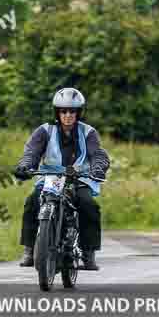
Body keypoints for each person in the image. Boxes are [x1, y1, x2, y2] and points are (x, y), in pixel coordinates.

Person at [13, 87, 110, 270]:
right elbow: (32, 152)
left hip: (79, 178)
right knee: (32, 201)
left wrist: (98, 169)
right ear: (57, 112)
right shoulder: (44, 131)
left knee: (88, 204)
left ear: (78, 112)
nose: (67, 115)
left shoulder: (88, 132)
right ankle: (29, 249)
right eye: (63, 111)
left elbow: (98, 154)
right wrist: (25, 166)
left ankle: (88, 253)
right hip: (50, 178)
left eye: (72, 111)